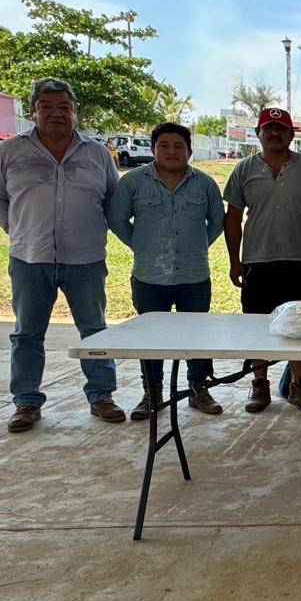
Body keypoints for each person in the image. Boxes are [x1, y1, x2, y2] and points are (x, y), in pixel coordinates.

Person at [0, 77, 125, 433]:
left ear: (74, 110)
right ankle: (26, 401)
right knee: (27, 333)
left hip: (86, 258)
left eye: (64, 107)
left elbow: (113, 199)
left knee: (94, 331)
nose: (56, 114)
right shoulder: (11, 152)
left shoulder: (96, 153)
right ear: (32, 112)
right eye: (46, 107)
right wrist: (15, 229)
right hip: (30, 258)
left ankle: (101, 396)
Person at [107, 122, 226, 418]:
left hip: (194, 276)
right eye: (164, 145)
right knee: (150, 339)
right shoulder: (133, 182)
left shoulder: (205, 183)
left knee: (196, 337)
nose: (172, 151)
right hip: (149, 276)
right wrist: (141, 245)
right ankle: (152, 393)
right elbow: (117, 219)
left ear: (189, 150)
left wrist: (196, 246)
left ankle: (198, 389)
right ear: (153, 148)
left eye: (178, 146)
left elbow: (217, 222)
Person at [223, 107, 301, 413]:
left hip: (298, 261)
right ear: (258, 134)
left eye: (281, 129)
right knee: (258, 326)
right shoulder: (244, 169)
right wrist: (234, 260)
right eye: (268, 128)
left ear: (291, 135)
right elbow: (232, 218)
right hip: (256, 261)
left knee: (298, 326)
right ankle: (259, 385)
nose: (274, 134)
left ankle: (298, 386)